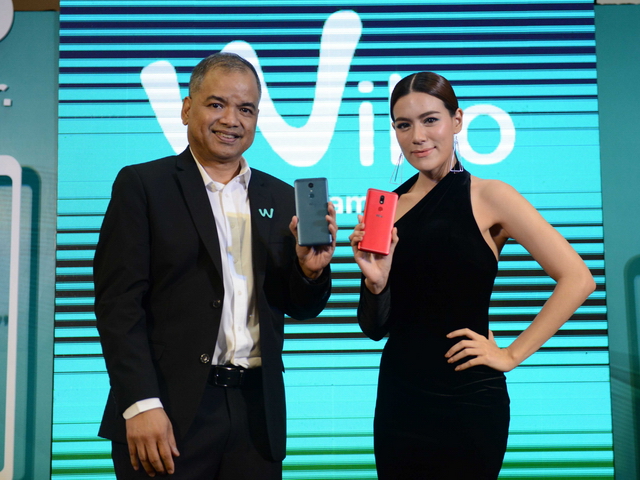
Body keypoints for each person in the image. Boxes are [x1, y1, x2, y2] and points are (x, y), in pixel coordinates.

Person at [94, 52, 337, 479]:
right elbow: (119, 307)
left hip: (255, 416)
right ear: (187, 109)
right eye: (216, 104)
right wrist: (141, 403)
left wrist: (310, 272)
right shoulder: (143, 185)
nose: (231, 120)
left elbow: (299, 307)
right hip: (168, 411)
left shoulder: (281, 197)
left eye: (246, 109)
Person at [349, 71, 595, 479]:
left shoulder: (490, 195)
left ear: (457, 120)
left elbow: (578, 278)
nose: (418, 136)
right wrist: (376, 284)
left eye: (430, 120)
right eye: (404, 125)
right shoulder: (387, 207)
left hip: (469, 397)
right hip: (399, 399)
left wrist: (511, 355)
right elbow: (375, 328)